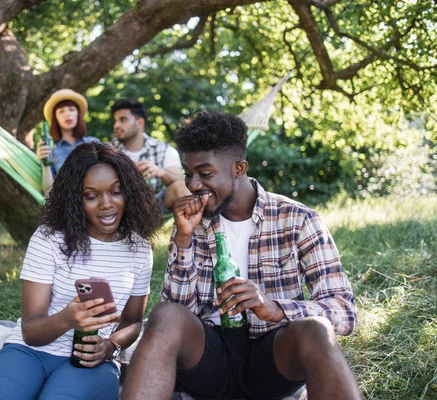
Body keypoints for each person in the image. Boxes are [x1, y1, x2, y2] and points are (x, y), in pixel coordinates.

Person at [121, 111, 362, 400]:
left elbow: (345, 312)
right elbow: (178, 316)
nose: (194, 185)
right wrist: (183, 240)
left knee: (316, 330)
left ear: (239, 168)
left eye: (205, 173)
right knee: (165, 314)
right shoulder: (192, 223)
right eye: (188, 174)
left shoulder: (298, 219)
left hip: (272, 362)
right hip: (208, 361)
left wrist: (276, 309)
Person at [0, 142, 162, 400]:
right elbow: (31, 331)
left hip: (90, 361)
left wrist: (110, 346)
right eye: (91, 195)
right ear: (76, 198)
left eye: (116, 192)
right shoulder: (49, 239)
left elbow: (132, 322)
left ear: (128, 193)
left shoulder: (138, 249)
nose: (107, 204)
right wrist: (68, 319)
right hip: (29, 352)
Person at [110, 98, 190, 212]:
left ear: (139, 123)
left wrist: (161, 172)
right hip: (119, 207)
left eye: (123, 120)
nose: (116, 125)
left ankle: (196, 228)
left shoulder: (164, 149)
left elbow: (182, 181)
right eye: (115, 120)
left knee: (180, 186)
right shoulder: (108, 150)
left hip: (155, 207)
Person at [37, 89, 100, 193]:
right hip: (69, 206)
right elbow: (48, 193)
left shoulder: (93, 143)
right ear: (55, 118)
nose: (67, 114)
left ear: (78, 114)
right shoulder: (51, 149)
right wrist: (45, 164)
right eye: (61, 111)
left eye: (71, 109)